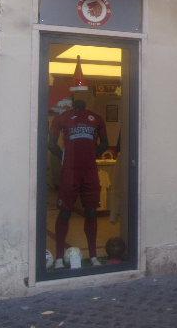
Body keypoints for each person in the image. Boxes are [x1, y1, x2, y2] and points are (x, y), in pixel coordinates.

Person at [49, 98, 108, 268]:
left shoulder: (96, 118)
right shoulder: (62, 118)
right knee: (65, 212)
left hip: (89, 171)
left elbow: (105, 142)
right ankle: (59, 257)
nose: (81, 101)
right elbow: (50, 143)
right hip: (71, 171)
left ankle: (93, 255)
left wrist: (92, 154)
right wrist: (64, 156)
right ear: (73, 102)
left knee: (91, 212)